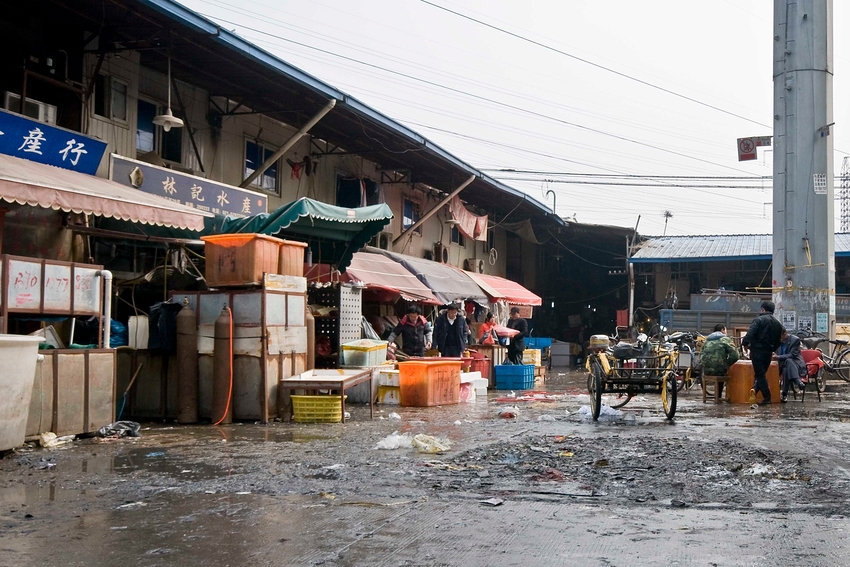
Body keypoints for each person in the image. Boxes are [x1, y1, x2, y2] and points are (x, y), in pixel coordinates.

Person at [741, 300, 784, 405]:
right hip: (768, 352)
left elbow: (750, 333)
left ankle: (767, 398)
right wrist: (772, 348)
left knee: (760, 375)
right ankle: (754, 389)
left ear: (763, 309)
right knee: (761, 374)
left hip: (757, 351)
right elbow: (780, 340)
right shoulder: (778, 324)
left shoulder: (759, 320)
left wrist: (745, 344)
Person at [700, 324, 740, 398]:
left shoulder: (707, 339)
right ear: (722, 330)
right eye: (726, 330)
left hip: (706, 370)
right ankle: (720, 396)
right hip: (719, 370)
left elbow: (701, 355)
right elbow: (735, 356)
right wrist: (727, 364)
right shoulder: (725, 339)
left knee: (718, 366)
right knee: (723, 369)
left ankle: (716, 396)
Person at [774, 329, 807, 403]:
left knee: (788, 361)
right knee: (785, 368)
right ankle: (797, 381)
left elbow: (792, 355)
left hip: (795, 365)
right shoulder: (777, 342)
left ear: (785, 334)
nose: (779, 339)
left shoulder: (795, 340)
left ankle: (784, 394)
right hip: (783, 366)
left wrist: (778, 357)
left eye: (780, 337)